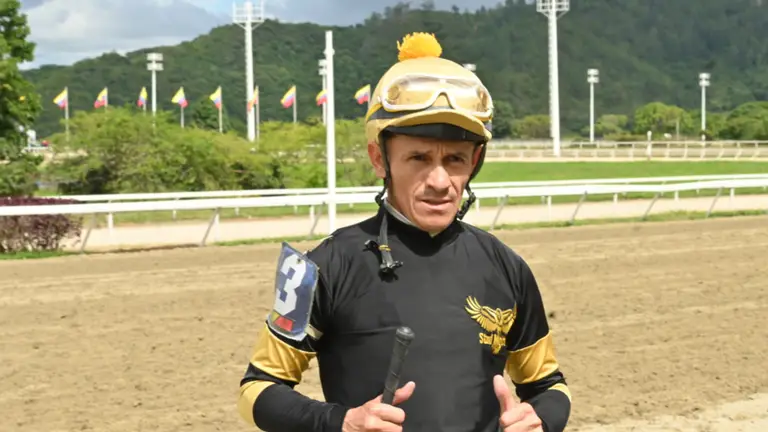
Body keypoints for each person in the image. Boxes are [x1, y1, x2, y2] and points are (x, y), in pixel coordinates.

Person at [237, 32, 571, 432]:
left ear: (475, 161)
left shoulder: (507, 267)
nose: (440, 181)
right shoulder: (323, 266)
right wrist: (342, 422)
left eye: (455, 159)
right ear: (379, 159)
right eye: (418, 158)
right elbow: (257, 389)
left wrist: (540, 418)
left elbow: (549, 386)